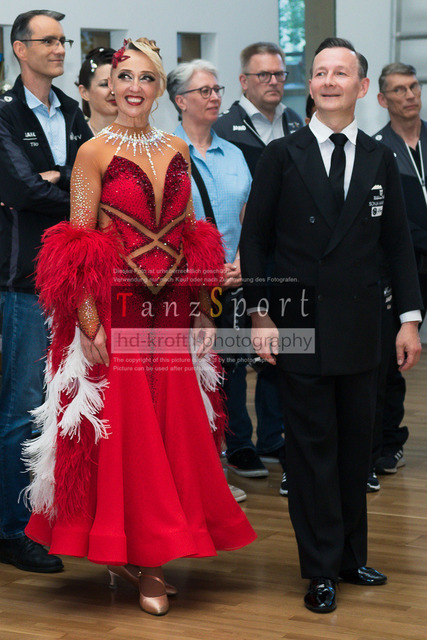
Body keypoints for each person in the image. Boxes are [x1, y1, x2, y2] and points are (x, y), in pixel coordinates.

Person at [23, 38, 256, 617]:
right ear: (109, 85)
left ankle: (147, 551)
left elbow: (192, 235)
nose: (133, 88)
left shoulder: (176, 146)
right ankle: (143, 560)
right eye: (123, 77)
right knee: (129, 434)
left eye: (146, 78)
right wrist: (88, 322)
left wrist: (203, 309)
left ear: (159, 89)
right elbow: (78, 243)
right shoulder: (93, 152)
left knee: (170, 427)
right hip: (116, 309)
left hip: (171, 310)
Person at [240, 37, 422, 614]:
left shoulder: (379, 156)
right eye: (320, 72)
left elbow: (398, 244)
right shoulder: (281, 155)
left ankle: (349, 557)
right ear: (311, 84)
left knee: (355, 451)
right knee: (312, 452)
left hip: (364, 328)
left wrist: (409, 320)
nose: (328, 81)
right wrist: (260, 313)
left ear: (361, 87)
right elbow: (254, 240)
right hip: (298, 324)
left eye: (340, 73)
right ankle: (319, 569)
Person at [0, 9, 91, 574]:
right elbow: (22, 189)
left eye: (64, 40)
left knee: (62, 404)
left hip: (73, 278)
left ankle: (49, 520)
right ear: (20, 48)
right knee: (21, 407)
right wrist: (71, 189)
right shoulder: (4, 113)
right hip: (25, 283)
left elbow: (94, 176)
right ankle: (11, 530)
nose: (60, 48)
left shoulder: (73, 111)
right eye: (49, 40)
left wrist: (59, 179)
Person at [214, 42, 303, 485]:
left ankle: (272, 436)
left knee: (278, 350)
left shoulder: (296, 122)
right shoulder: (224, 128)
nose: (273, 81)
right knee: (233, 354)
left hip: (286, 256)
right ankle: (239, 443)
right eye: (263, 75)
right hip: (239, 256)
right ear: (244, 81)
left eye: (279, 74)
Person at [166, 59, 252, 501]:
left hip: (231, 285)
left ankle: (216, 471)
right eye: (205, 91)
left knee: (226, 376)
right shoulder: (164, 152)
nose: (215, 97)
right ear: (180, 101)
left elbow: (250, 217)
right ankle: (189, 478)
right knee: (188, 381)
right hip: (182, 290)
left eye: (217, 89)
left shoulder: (235, 154)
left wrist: (242, 261)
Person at [372, 62, 427, 475]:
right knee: (394, 358)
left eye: (414, 87)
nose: (410, 96)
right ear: (382, 99)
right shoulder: (378, 151)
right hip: (406, 268)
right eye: (399, 90)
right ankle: (389, 442)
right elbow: (389, 222)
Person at [77, 46, 117, 135]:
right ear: (84, 92)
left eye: (118, 84)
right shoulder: (76, 138)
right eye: (105, 84)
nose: (113, 91)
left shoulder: (140, 138)